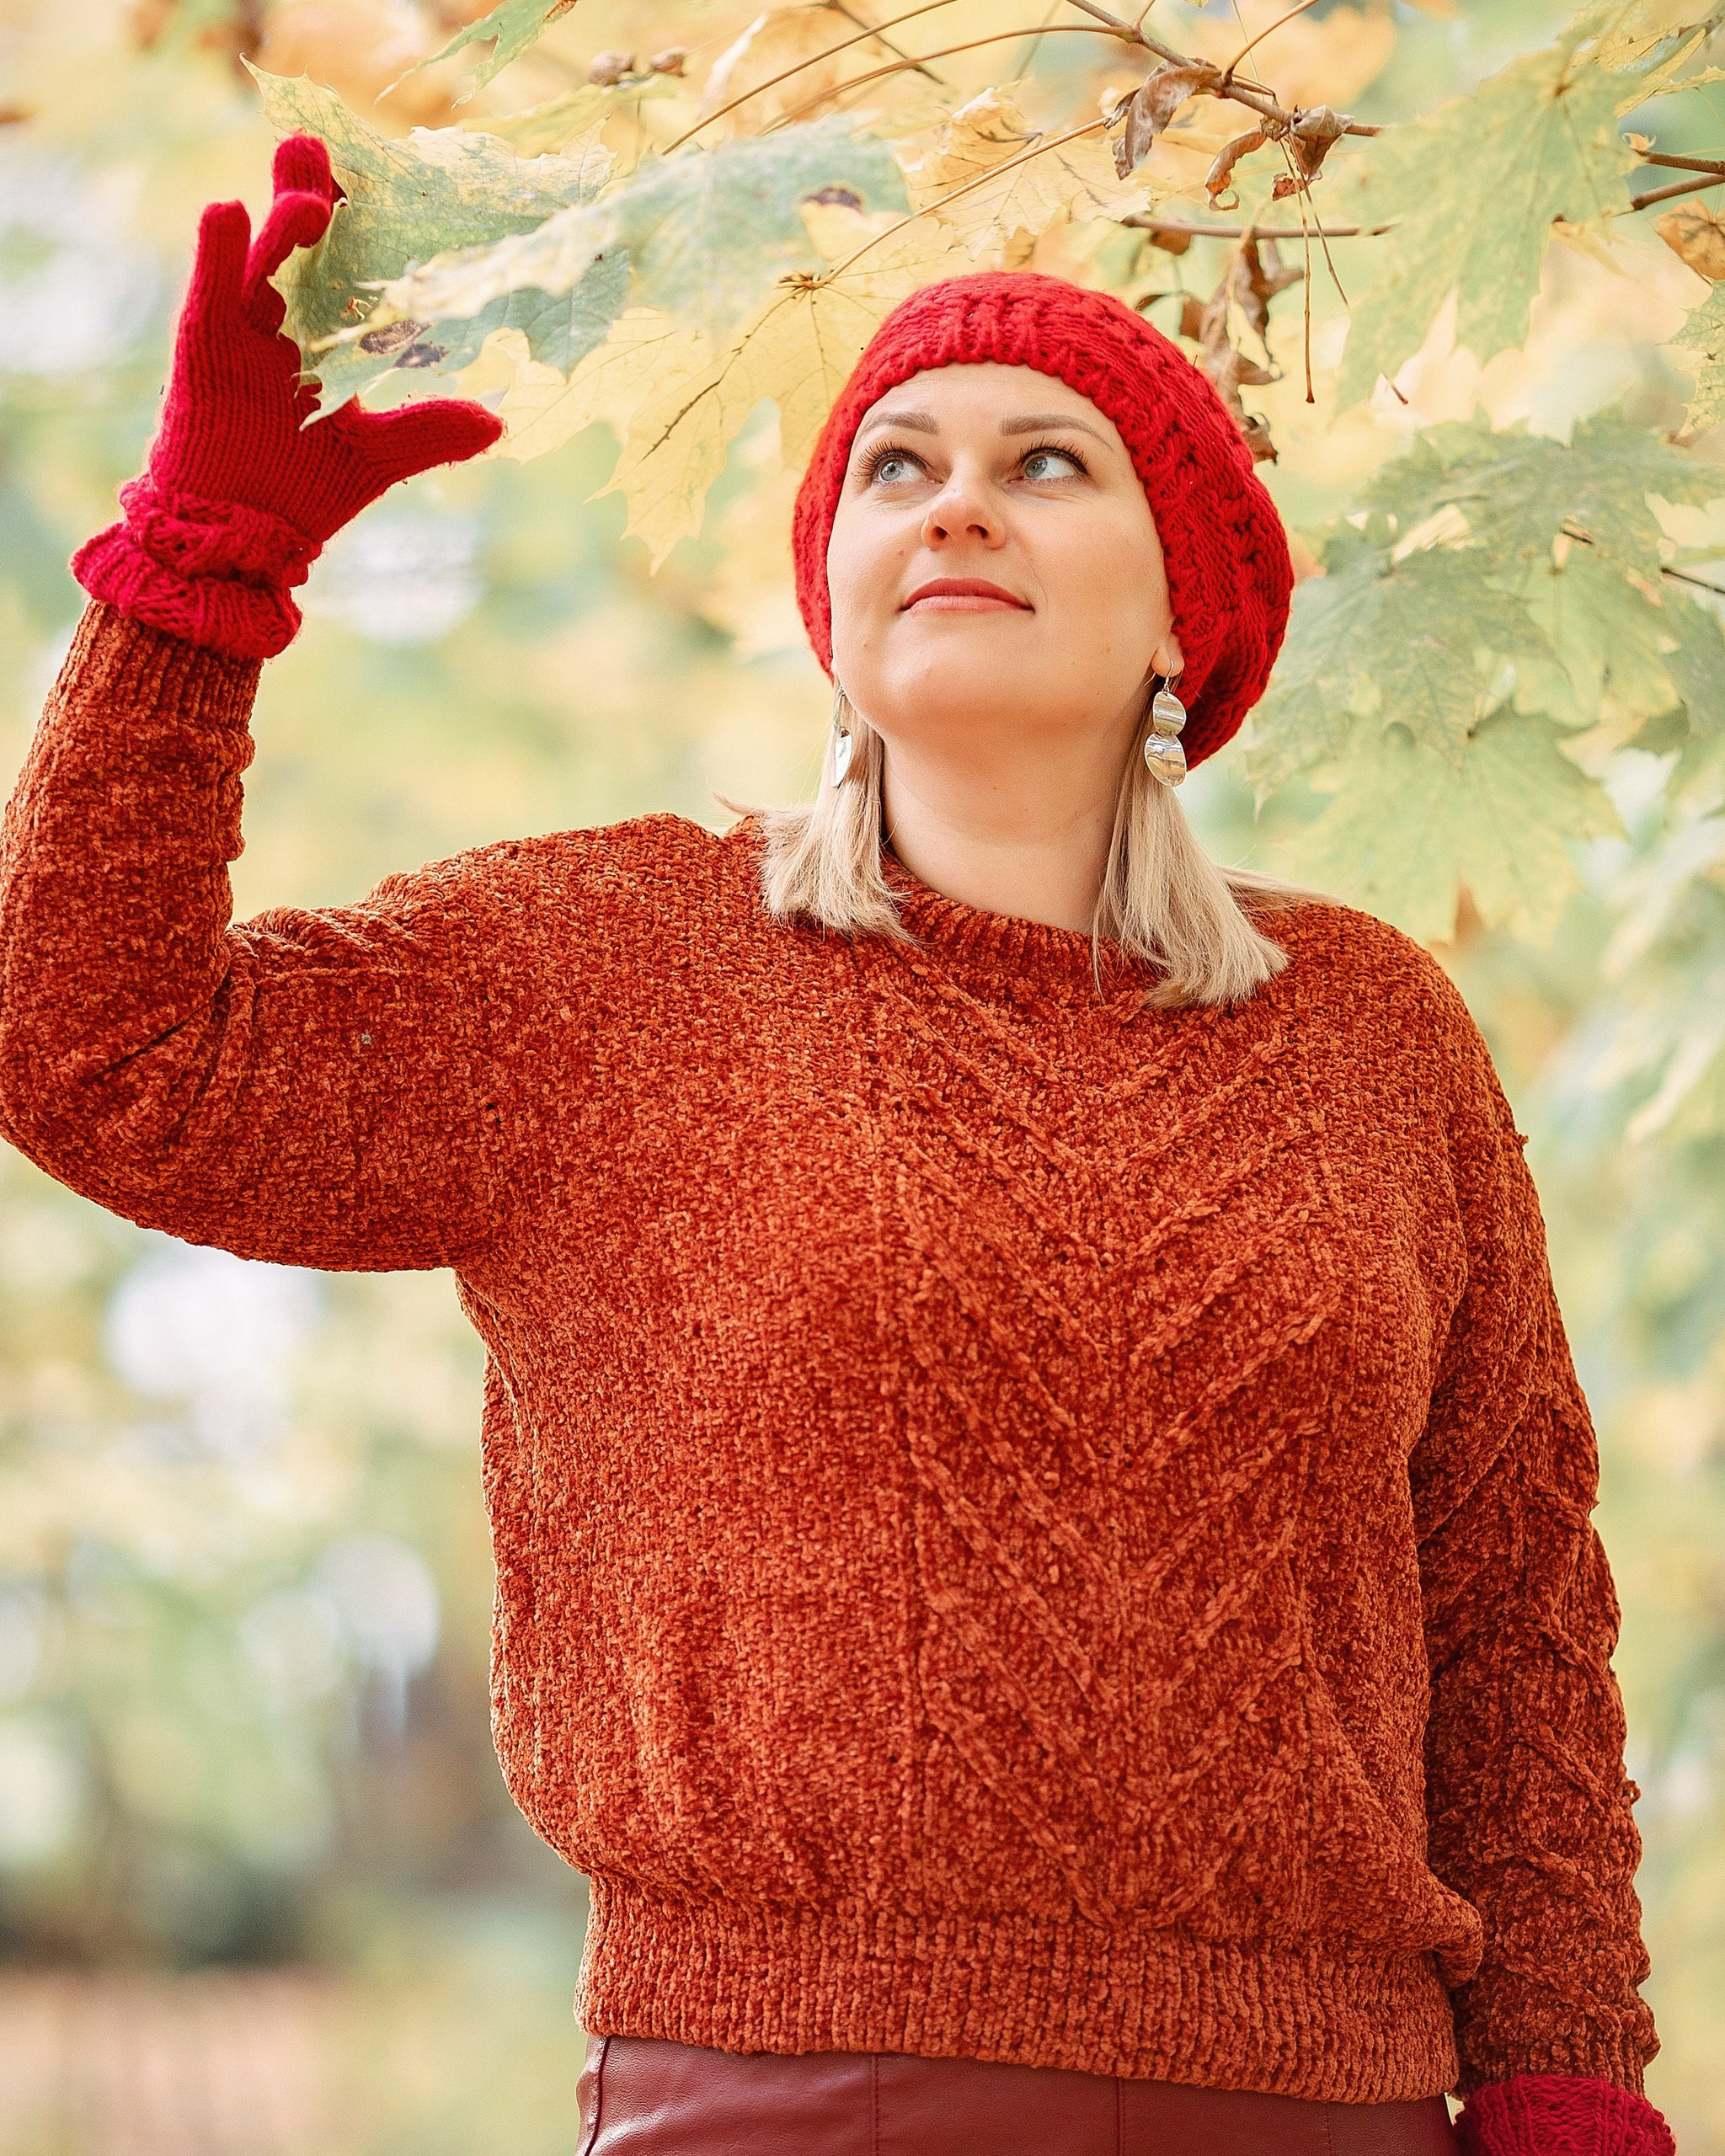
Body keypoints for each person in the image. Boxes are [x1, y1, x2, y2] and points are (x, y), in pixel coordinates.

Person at [0, 136, 1677, 2156]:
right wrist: (203, 565)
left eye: (1046, 461)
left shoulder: (1369, 1025)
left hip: (1333, 2105)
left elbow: (1511, 1612)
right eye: (898, 463)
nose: (956, 496)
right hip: (794, 2101)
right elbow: (92, 1051)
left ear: (1184, 617)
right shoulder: (612, 965)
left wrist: (1566, 2084)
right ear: (836, 603)